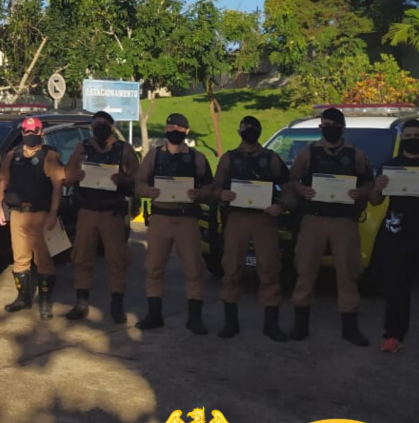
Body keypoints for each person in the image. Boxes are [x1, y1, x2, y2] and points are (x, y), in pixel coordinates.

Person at [288, 107, 373, 346]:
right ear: (320, 127)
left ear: (342, 127)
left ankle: (350, 327)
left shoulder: (355, 154)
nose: (330, 127)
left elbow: (369, 182)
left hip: (343, 221)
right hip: (313, 219)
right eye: (326, 123)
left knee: (348, 273)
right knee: (305, 270)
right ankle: (300, 324)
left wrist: (360, 192)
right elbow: (292, 180)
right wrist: (301, 189)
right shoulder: (308, 153)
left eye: (334, 124)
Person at [211, 116, 291, 341]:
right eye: (245, 128)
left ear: (258, 131)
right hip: (237, 218)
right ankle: (231, 323)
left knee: (269, 268)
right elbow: (214, 188)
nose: (249, 132)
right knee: (231, 269)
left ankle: (271, 324)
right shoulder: (229, 159)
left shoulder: (271, 158)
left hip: (264, 219)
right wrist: (221, 194)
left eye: (252, 128)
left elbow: (289, 187)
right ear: (239, 131)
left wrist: (282, 205)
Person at [134, 113, 214, 335]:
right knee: (154, 268)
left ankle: (194, 318)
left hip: (187, 218)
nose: (173, 130)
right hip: (160, 217)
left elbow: (211, 187)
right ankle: (154, 313)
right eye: (170, 126)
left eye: (178, 127)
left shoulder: (197, 158)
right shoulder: (154, 156)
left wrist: (198, 193)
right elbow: (138, 183)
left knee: (193, 269)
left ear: (186, 131)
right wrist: (147, 191)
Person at [63, 111, 139, 323]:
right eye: (96, 124)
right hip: (87, 210)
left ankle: (116, 305)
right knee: (81, 257)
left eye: (104, 124)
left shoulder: (123, 150)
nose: (100, 127)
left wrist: (122, 179)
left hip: (111, 212)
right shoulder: (82, 148)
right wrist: (74, 177)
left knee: (117, 259)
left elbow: (137, 179)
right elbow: (66, 177)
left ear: (113, 127)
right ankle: (81, 302)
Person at [0, 117, 65, 320]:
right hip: (18, 214)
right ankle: (23, 298)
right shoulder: (12, 155)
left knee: (43, 261)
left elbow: (57, 186)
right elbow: (3, 182)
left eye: (34, 131)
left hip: (41, 214)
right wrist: (0, 208)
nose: (30, 135)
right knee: (20, 260)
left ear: (41, 132)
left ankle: (44, 302)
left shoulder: (49, 155)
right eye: (26, 132)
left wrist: (53, 213)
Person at [370, 118, 419, 353]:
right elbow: (375, 200)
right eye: (407, 136)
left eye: (415, 136)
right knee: (397, 288)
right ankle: (393, 335)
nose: (412, 140)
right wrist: (378, 187)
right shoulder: (390, 166)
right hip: (398, 234)